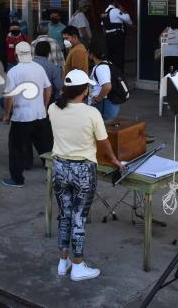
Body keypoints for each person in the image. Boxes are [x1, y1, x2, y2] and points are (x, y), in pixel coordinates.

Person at [48, 69, 125, 281]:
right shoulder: (92, 113)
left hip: (60, 168)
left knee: (64, 215)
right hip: (83, 170)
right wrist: (113, 160)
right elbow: (104, 143)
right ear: (84, 91)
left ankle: (63, 262)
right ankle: (78, 265)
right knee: (78, 218)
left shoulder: (53, 108)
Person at [2, 42, 52, 188]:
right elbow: (48, 88)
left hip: (22, 117)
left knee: (16, 149)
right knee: (46, 148)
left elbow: (9, 97)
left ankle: (17, 179)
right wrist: (44, 106)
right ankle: (56, 176)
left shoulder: (14, 72)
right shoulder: (39, 68)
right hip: (40, 115)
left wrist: (6, 115)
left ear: (16, 55)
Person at [88, 41, 120, 121]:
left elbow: (107, 86)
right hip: (105, 104)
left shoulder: (101, 68)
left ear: (92, 54)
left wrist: (98, 99)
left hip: (103, 105)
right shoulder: (106, 64)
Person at [102, 0, 133, 72]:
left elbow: (102, 25)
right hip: (117, 36)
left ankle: (110, 73)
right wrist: (123, 10)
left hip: (108, 37)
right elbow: (128, 19)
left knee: (110, 56)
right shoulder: (115, 10)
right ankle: (119, 74)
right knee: (119, 56)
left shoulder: (104, 12)